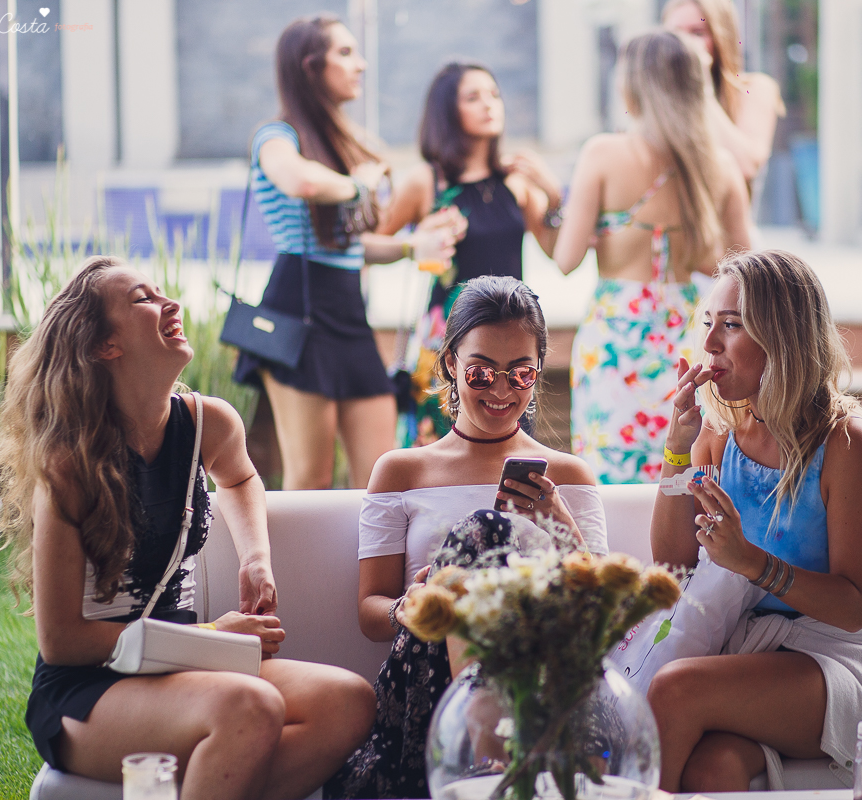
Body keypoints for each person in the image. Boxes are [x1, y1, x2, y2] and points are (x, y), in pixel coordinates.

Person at [0, 256, 376, 800]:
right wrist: (212, 638)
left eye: (163, 292)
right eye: (143, 299)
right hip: (92, 689)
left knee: (348, 701)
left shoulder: (206, 423)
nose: (171, 304)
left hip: (186, 670)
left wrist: (254, 557)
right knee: (250, 706)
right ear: (105, 346)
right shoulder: (69, 467)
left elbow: (240, 480)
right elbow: (62, 641)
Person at [324, 275, 610, 799]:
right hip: (425, 692)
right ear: (452, 363)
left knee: (490, 535)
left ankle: (487, 753)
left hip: (538, 682)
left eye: (520, 374)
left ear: (537, 373)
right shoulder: (402, 471)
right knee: (485, 532)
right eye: (481, 372)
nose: (501, 391)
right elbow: (370, 612)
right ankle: (486, 750)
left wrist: (557, 521)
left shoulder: (568, 476)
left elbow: (597, 612)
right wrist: (410, 605)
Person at [634, 250, 862, 792]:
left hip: (845, 657)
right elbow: (672, 562)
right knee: (713, 769)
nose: (710, 343)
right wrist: (676, 449)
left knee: (675, 689)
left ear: (783, 338)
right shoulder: (718, 434)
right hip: (755, 651)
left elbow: (854, 608)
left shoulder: (850, 444)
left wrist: (753, 564)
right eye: (708, 322)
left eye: (732, 326)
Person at [233, 13, 461, 489]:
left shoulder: (341, 145)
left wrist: (410, 246)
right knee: (309, 478)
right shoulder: (277, 137)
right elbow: (297, 180)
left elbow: (350, 249)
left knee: (383, 476)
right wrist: (355, 185)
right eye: (345, 53)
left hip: (347, 314)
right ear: (310, 66)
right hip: (299, 311)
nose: (361, 65)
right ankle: (291, 568)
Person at [545, 30, 751, 484]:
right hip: (688, 336)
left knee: (611, 473)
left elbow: (566, 259)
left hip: (617, 339)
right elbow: (743, 270)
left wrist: (544, 206)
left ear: (631, 86)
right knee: (681, 469)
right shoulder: (720, 168)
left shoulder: (603, 153)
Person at [378, 60, 564, 443]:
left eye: (494, 95)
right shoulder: (426, 182)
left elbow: (557, 254)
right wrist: (415, 243)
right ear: (448, 110)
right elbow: (371, 242)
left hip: (513, 339)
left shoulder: (515, 181)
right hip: (447, 343)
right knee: (444, 457)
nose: (489, 104)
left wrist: (555, 194)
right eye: (473, 97)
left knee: (511, 449)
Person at [662, 0, 787, 190]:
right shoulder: (661, 96)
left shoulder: (754, 88)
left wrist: (700, 85)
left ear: (721, 37)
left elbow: (746, 167)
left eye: (698, 33)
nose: (685, 44)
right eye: (675, 34)